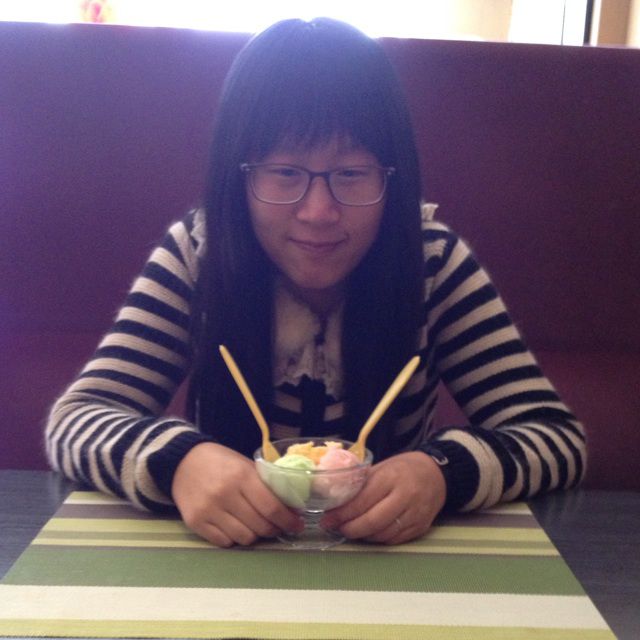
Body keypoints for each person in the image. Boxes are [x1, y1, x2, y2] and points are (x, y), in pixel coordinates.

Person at [45, 17, 586, 548]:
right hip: (230, 558)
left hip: (389, 570)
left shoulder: (432, 264)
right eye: (285, 173)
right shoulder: (199, 256)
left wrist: (441, 472)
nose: (318, 212)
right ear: (240, 176)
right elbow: (76, 420)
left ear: (392, 177)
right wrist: (180, 462)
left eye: (351, 174)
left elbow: (555, 436)